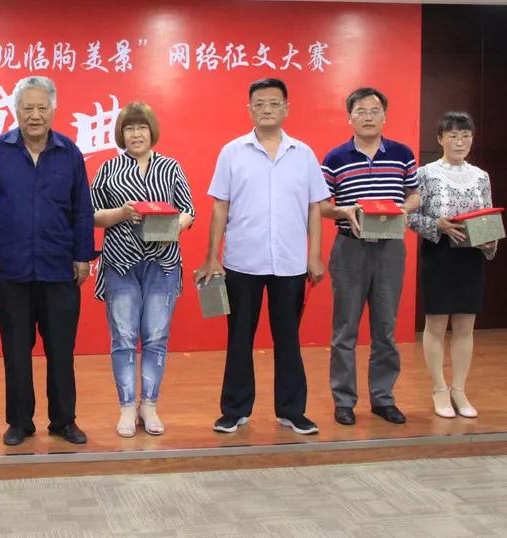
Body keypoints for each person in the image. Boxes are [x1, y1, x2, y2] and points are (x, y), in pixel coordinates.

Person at [197, 78, 328, 436]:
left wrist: (315, 255)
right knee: (239, 338)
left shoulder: (303, 154)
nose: (266, 109)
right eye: (259, 103)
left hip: (290, 262)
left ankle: (292, 410)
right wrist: (212, 257)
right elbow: (220, 206)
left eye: (273, 103)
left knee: (288, 338)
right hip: (242, 260)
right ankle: (235, 410)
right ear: (249, 109)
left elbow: (315, 207)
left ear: (286, 108)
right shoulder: (232, 152)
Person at [0, 75, 96, 446]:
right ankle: (19, 422)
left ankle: (64, 420)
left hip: (60, 268)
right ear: (16, 110)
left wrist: (83, 256)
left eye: (42, 107)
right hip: (11, 268)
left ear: (54, 110)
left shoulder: (69, 152)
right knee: (15, 352)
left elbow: (82, 208)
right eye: (28, 108)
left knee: (61, 351)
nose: (35, 115)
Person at [90, 102, 194, 437]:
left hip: (163, 263)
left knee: (156, 336)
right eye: (130, 128)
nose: (136, 134)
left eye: (142, 127)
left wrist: (173, 226)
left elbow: (188, 210)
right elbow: (92, 214)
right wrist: (122, 213)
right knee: (123, 337)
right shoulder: (108, 169)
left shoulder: (171, 167)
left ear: (152, 131)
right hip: (121, 263)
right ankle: (126, 405)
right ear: (121, 134)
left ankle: (148, 405)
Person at [320, 87, 420, 426]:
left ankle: (383, 398)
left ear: (384, 116)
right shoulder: (335, 157)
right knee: (345, 329)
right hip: (350, 248)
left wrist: (405, 208)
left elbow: (415, 193)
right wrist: (344, 210)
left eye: (374, 111)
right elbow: (321, 206)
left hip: (390, 249)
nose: (367, 117)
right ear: (349, 117)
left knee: (385, 328)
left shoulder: (402, 154)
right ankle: (344, 401)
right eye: (360, 111)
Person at [408, 111, 496, 418]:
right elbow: (410, 216)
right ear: (440, 139)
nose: (460, 142)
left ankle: (459, 389)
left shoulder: (481, 176)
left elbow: (488, 216)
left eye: (466, 136)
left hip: (470, 256)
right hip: (439, 254)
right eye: (453, 136)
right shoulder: (425, 174)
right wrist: (438, 225)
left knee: (465, 326)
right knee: (435, 324)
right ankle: (439, 389)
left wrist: (488, 240)